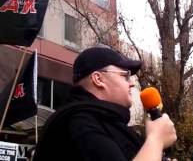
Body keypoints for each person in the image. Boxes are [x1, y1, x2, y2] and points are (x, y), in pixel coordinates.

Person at [33, 46, 177, 161]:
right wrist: (156, 140)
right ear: (98, 79)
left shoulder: (106, 124)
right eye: (125, 76)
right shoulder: (77, 123)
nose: (132, 84)